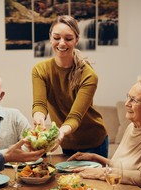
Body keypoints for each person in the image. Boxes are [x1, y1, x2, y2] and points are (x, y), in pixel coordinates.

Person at [68, 73, 141, 190]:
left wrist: (101, 172)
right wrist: (95, 158)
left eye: (133, 100)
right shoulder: (132, 127)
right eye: (128, 97)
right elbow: (123, 167)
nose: (126, 103)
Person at [31, 15, 108, 157]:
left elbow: (75, 116)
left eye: (68, 38)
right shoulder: (40, 70)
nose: (62, 43)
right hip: (66, 141)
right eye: (56, 37)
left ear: (77, 40)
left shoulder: (88, 75)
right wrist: (39, 119)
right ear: (50, 38)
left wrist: (61, 132)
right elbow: (39, 104)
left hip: (93, 142)